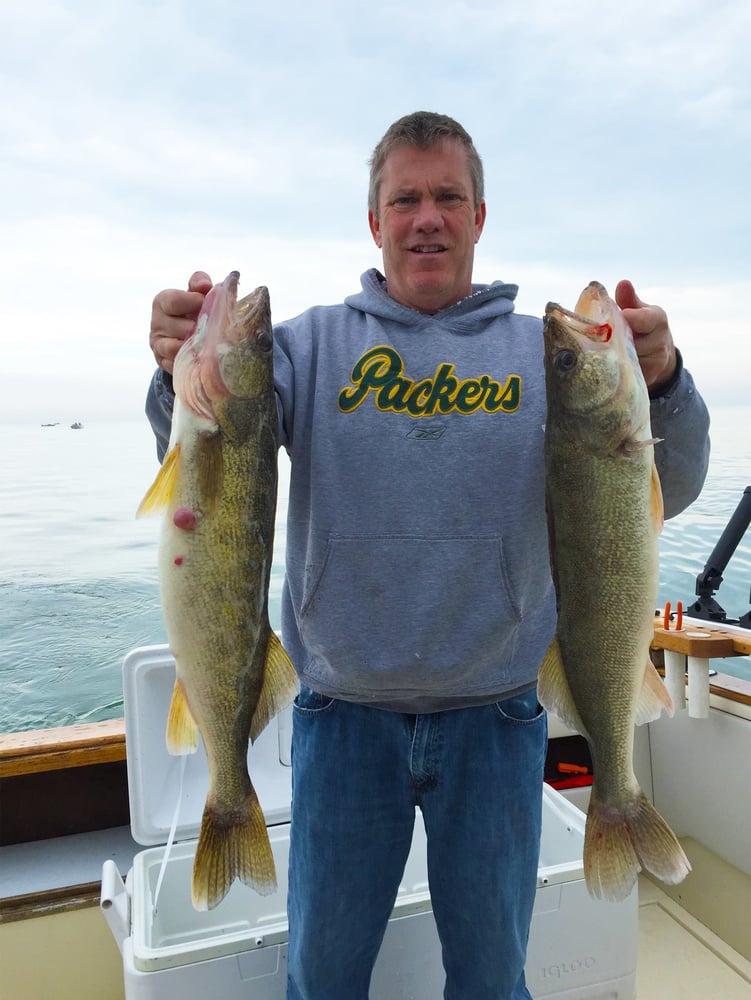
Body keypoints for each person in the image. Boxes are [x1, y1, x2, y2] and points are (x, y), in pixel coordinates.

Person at [146, 112, 710, 999]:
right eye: (403, 198)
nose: (426, 217)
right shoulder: (306, 343)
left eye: (447, 196)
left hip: (495, 722)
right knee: (323, 976)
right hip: (341, 720)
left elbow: (665, 487)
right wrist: (173, 368)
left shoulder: (546, 352)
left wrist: (666, 377)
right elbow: (212, 468)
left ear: (479, 216)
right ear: (374, 222)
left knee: (490, 979)